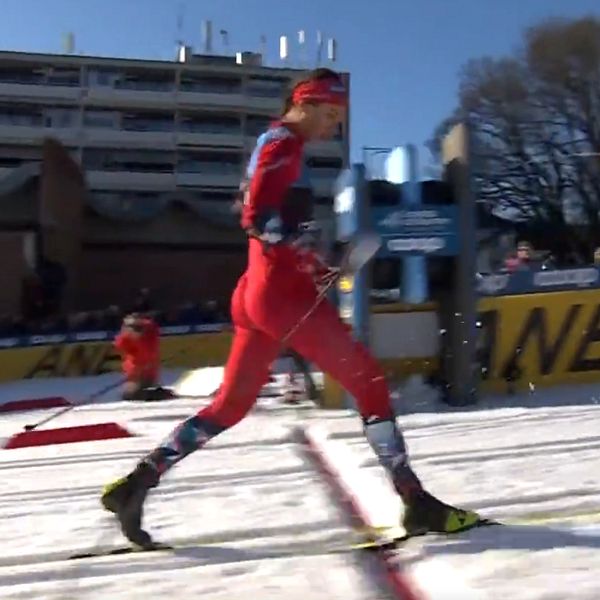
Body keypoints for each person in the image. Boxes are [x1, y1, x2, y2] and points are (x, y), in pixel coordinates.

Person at [101, 68, 483, 548]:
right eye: (330, 114)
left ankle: (138, 483)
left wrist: (319, 260)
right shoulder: (283, 142)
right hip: (280, 296)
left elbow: (268, 220)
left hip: (259, 290)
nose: (334, 126)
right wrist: (314, 255)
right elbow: (257, 216)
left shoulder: (281, 144)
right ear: (304, 103)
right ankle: (415, 501)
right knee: (369, 382)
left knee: (231, 406)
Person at [114, 313, 176, 402]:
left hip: (145, 371)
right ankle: (155, 391)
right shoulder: (127, 338)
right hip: (134, 372)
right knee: (128, 394)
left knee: (132, 394)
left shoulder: (148, 339)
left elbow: (148, 354)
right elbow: (120, 345)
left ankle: (160, 393)